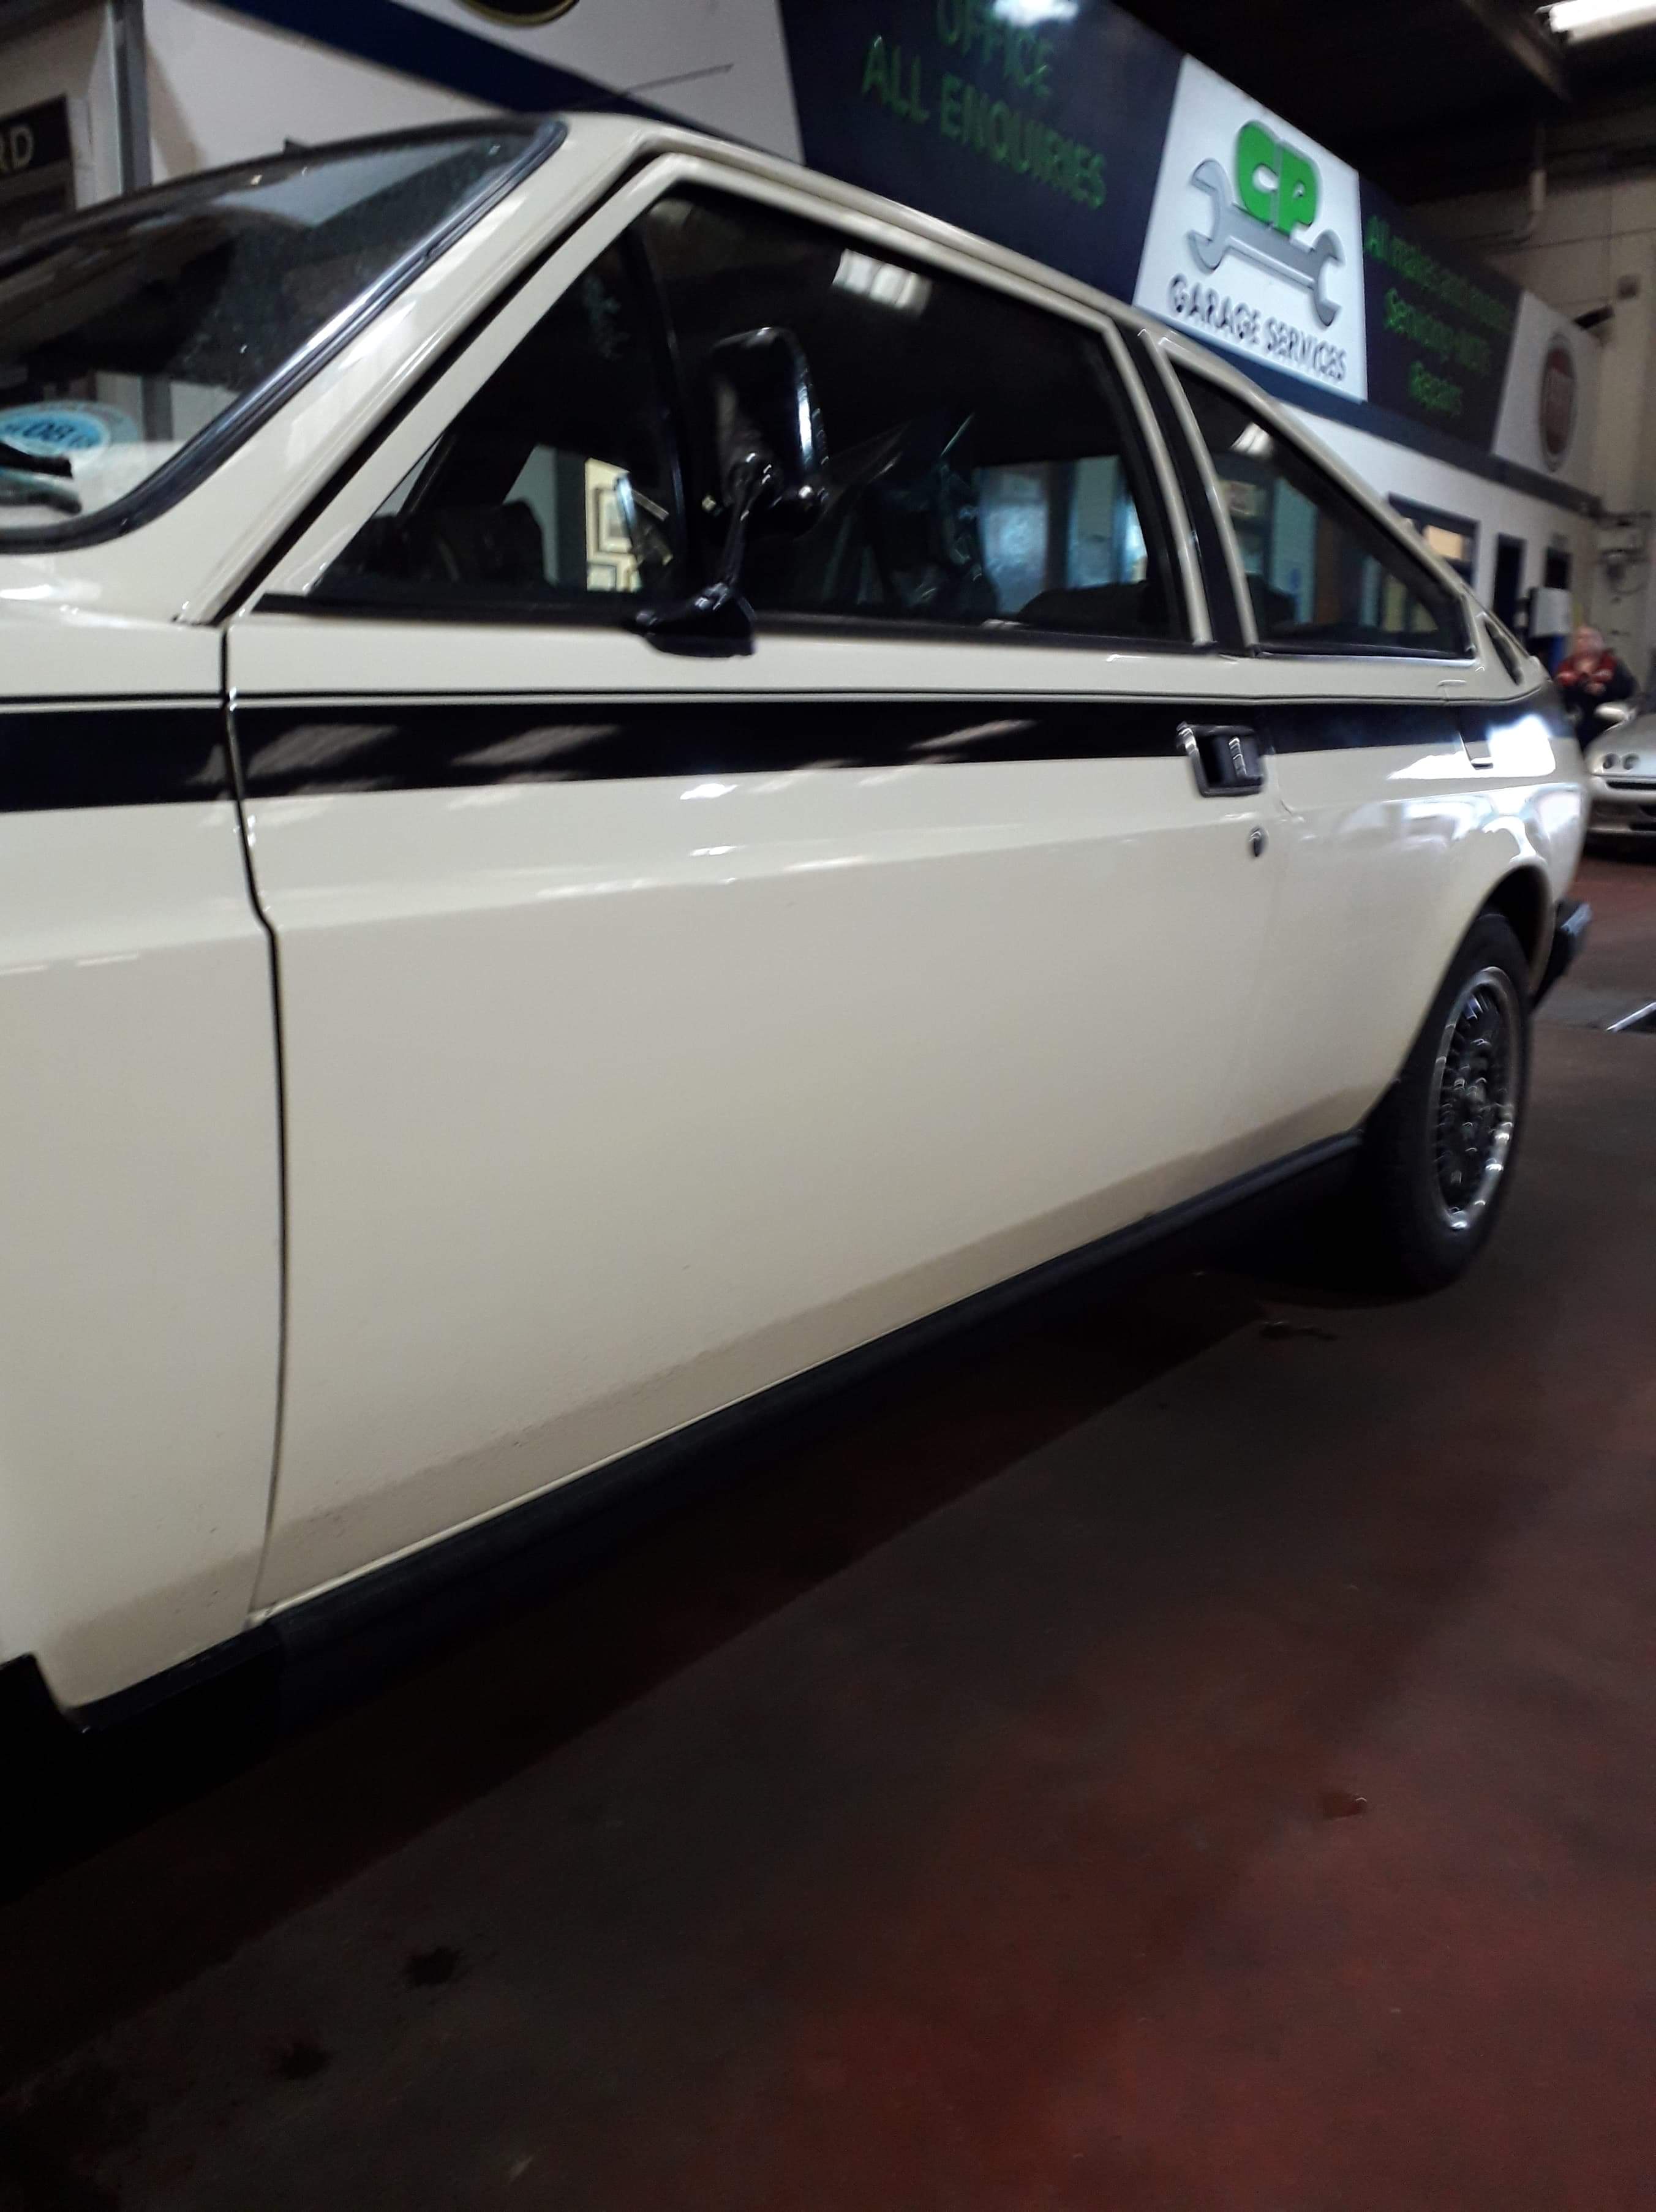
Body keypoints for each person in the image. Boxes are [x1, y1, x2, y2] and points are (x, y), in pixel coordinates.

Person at [1554, 623, 1635, 739]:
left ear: (1601, 642)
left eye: (1590, 638)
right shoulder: (1565, 667)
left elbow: (1628, 690)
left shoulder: (1612, 666)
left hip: (1604, 730)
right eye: (1580, 638)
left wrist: (1604, 690)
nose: (1584, 642)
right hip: (1571, 729)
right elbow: (1555, 693)